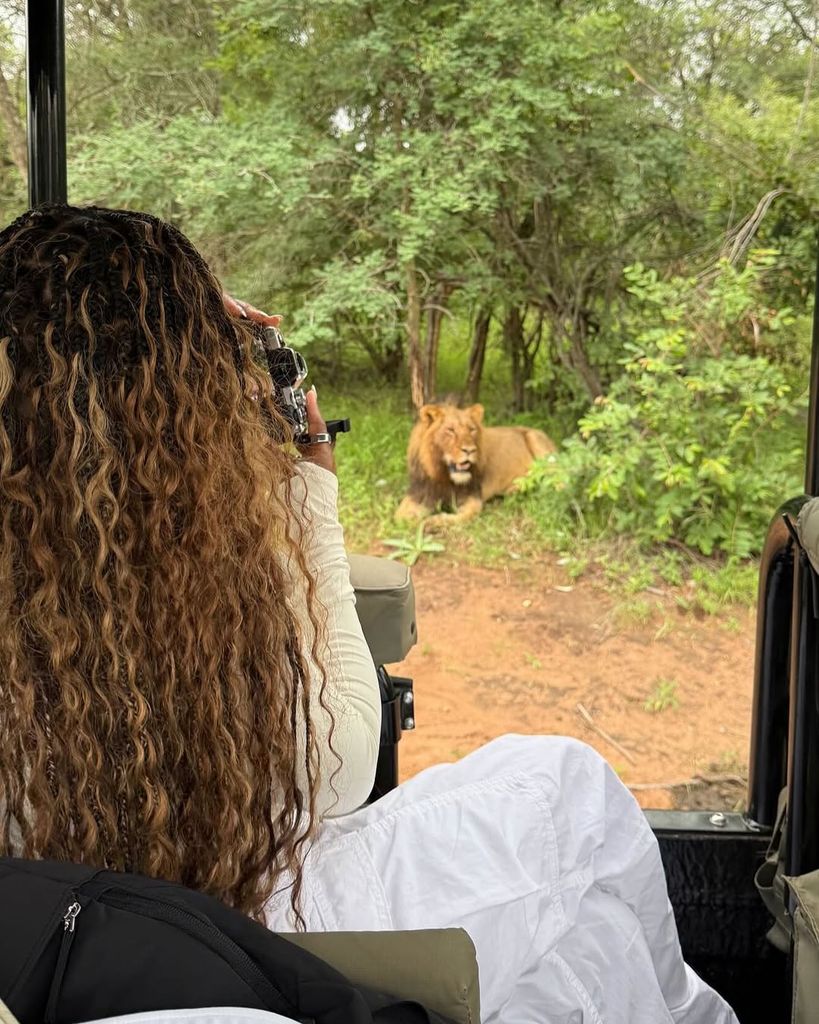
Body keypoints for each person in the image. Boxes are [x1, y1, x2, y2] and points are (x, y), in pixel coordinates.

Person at [0, 205, 737, 1024]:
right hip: (222, 925)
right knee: (572, 788)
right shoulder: (196, 572)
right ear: (190, 408)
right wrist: (309, 501)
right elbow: (341, 771)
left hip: (63, 938)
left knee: (573, 961)